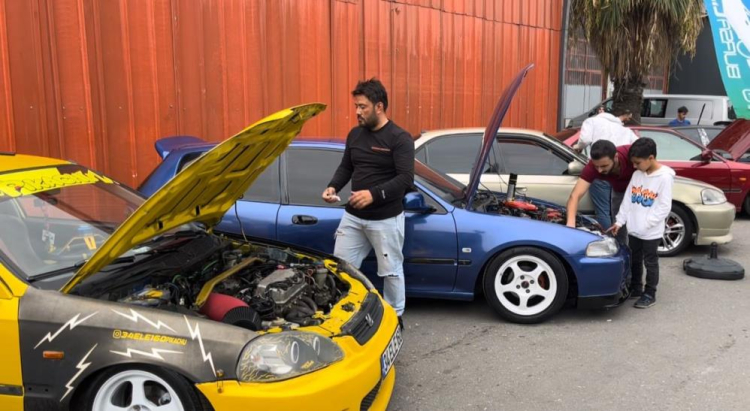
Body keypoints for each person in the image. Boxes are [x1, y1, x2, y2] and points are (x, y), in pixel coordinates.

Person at [322, 78, 414, 327]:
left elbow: (406, 179)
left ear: (379, 106)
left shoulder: (399, 138)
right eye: (356, 106)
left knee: (391, 271)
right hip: (353, 218)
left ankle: (395, 318)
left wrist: (374, 194)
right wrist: (333, 186)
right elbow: (346, 167)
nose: (357, 112)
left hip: (386, 219)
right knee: (342, 269)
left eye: (362, 107)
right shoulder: (355, 134)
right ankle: (344, 314)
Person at [607, 138, 674, 308]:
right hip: (634, 228)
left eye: (637, 163)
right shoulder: (637, 175)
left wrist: (647, 223)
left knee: (650, 261)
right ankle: (636, 287)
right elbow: (628, 199)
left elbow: (664, 207)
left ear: (651, 158)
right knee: (635, 258)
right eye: (633, 163)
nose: (634, 166)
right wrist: (620, 221)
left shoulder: (664, 177)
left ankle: (650, 293)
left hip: (650, 231)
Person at [573, 107, 638, 229]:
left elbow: (585, 139)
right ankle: (619, 238)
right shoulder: (625, 130)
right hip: (621, 173)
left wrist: (578, 147)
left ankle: (607, 238)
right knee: (620, 211)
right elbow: (638, 146)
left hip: (602, 174)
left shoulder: (591, 121)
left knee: (603, 211)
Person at [565, 139, 635, 246]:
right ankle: (621, 251)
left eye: (604, 166)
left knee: (639, 228)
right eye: (596, 166)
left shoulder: (630, 153)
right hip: (619, 191)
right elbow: (575, 196)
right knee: (618, 227)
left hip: (639, 191)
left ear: (615, 157)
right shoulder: (591, 168)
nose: (599, 170)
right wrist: (570, 224)